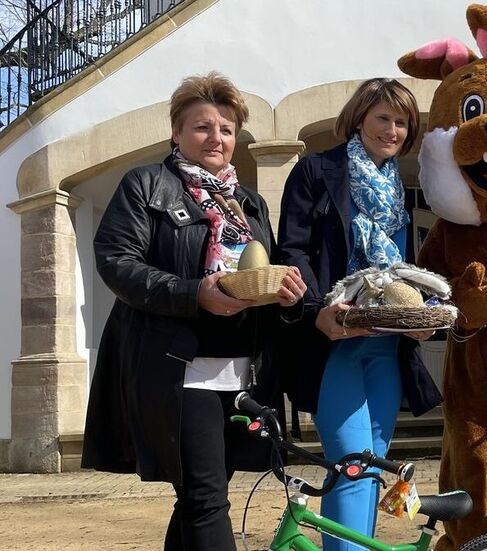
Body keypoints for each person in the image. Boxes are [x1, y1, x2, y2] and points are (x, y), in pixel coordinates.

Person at [81, 72, 307, 551]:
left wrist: (284, 297)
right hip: (179, 368)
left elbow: (258, 271)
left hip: (241, 371)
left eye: (226, 130)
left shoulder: (247, 203)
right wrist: (192, 293)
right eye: (203, 127)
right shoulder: (146, 184)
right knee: (207, 498)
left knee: (199, 498)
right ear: (177, 134)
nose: (217, 138)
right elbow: (117, 261)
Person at [277, 78, 436, 550]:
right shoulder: (316, 170)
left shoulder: (396, 186)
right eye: (383, 117)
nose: (392, 129)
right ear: (360, 116)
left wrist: (420, 311)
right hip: (337, 337)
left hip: (385, 341)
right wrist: (317, 310)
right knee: (350, 462)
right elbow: (294, 250)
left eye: (402, 121)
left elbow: (401, 269)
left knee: (372, 467)